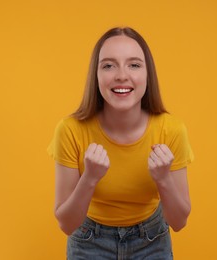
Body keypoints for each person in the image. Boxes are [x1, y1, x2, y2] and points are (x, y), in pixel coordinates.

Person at [48, 27, 194, 259]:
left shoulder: (171, 130)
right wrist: (90, 177)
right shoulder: (70, 130)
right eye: (108, 65)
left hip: (152, 240)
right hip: (88, 241)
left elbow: (179, 222)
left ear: (148, 74)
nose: (121, 75)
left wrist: (164, 178)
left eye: (134, 65)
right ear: (95, 76)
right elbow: (66, 224)